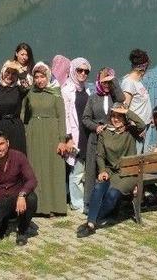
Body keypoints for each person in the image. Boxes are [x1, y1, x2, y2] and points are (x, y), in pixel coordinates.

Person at [76, 104, 146, 238]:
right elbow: (100, 155)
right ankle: (91, 224)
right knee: (99, 187)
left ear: (125, 118)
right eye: (113, 116)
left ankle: (92, 221)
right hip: (110, 170)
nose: (115, 119)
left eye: (119, 116)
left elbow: (142, 125)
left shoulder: (130, 131)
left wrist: (126, 111)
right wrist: (102, 170)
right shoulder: (105, 132)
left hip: (128, 173)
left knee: (113, 195)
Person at [21, 62, 67, 216]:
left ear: (48, 77)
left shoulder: (55, 93)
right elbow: (23, 115)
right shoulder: (30, 94)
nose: (39, 80)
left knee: (52, 168)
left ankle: (54, 206)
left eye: (42, 77)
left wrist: (62, 139)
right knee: (36, 168)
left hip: (52, 134)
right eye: (37, 77)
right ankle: (38, 206)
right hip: (34, 133)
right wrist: (26, 132)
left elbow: (61, 117)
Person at [0, 132, 38, 246]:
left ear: (8, 143)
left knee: (31, 198)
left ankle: (22, 230)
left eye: (1, 144)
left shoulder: (19, 156)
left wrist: (22, 195)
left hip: (16, 198)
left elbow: (32, 180)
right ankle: (4, 222)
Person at [80, 67, 124, 213]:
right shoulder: (93, 97)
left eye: (108, 81)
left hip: (111, 138)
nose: (106, 84)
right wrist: (95, 127)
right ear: (98, 80)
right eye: (103, 81)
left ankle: (110, 202)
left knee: (109, 169)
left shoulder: (115, 97)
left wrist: (113, 81)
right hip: (96, 137)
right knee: (92, 170)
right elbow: (85, 118)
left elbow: (122, 99)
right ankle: (89, 203)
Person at [60, 58, 92, 211]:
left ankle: (83, 199)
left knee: (84, 168)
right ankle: (76, 203)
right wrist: (68, 138)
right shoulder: (67, 90)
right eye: (79, 70)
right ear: (73, 70)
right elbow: (65, 115)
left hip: (86, 133)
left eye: (86, 71)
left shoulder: (86, 89)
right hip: (74, 135)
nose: (83, 73)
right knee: (76, 170)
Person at [0, 61, 27, 154]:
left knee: (17, 157)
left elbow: (28, 86)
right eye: (8, 72)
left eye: (13, 73)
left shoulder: (19, 90)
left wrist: (20, 70)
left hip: (15, 128)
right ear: (3, 72)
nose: (10, 76)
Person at [121, 49, 152, 129]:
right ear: (144, 67)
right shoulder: (129, 82)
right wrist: (136, 126)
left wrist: (150, 117)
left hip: (145, 124)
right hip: (137, 128)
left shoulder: (137, 82)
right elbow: (124, 108)